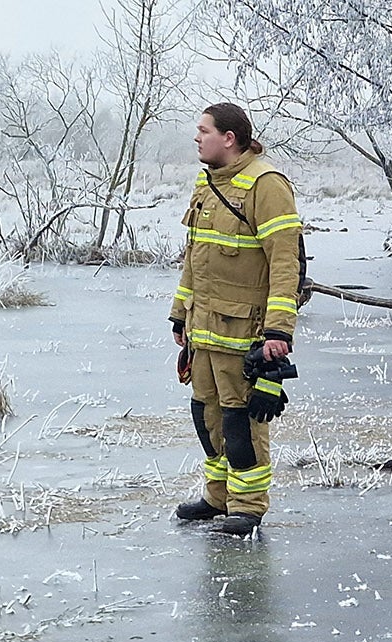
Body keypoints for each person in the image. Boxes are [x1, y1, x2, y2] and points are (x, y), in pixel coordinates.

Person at [170, 102, 305, 537]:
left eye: (204, 130)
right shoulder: (206, 184)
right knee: (206, 417)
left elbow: (285, 264)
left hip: (244, 333)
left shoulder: (266, 185)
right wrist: (179, 315)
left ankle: (247, 505)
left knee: (240, 421)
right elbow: (194, 257)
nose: (197, 137)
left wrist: (279, 332)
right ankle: (218, 496)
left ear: (229, 138)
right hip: (203, 329)